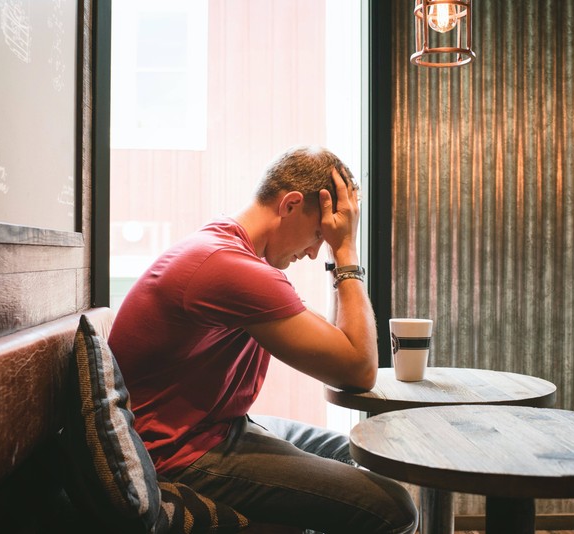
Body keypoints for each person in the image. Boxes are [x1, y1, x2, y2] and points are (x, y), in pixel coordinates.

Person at [108, 146, 417, 533]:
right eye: (319, 234)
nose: (311, 252)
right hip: (176, 452)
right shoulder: (230, 267)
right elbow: (357, 369)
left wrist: (337, 254)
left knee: (357, 454)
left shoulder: (228, 248)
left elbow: (338, 343)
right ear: (290, 204)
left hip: (214, 428)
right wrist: (346, 253)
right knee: (394, 508)